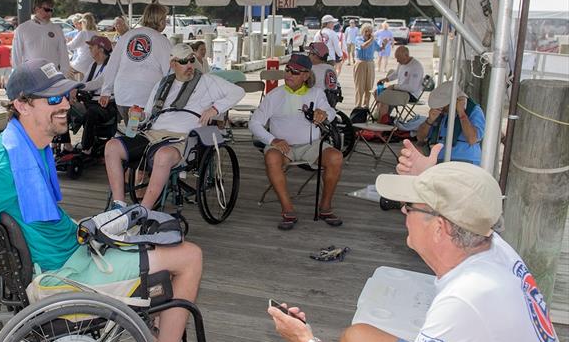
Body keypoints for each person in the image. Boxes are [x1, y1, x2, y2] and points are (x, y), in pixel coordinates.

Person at [0, 59, 223, 342]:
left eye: (65, 96)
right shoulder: (2, 166)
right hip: (68, 276)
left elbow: (46, 220)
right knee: (189, 256)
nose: (65, 105)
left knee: (155, 230)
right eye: (52, 100)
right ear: (23, 105)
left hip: (74, 251)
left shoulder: (30, 143)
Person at [268, 162, 561, 342]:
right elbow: (466, 199)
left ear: (439, 228)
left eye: (410, 207)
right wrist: (433, 174)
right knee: (356, 339)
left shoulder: (467, 299)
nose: (403, 213)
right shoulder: (490, 244)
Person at [105, 43, 244, 210]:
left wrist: (215, 109)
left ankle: (144, 210)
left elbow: (238, 92)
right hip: (152, 133)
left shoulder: (207, 81)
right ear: (173, 64)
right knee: (112, 146)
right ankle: (118, 204)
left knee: (163, 155)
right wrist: (140, 116)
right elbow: (148, 115)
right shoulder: (162, 84)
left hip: (183, 138)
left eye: (192, 60)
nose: (190, 65)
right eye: (184, 61)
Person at [249, 54, 344, 229]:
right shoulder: (274, 95)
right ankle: (287, 209)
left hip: (312, 146)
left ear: (306, 75)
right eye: (287, 70)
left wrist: (324, 114)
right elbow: (254, 123)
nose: (289, 75)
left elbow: (330, 112)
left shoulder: (316, 93)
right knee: (272, 158)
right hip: (283, 146)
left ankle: (325, 207)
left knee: (336, 157)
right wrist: (273, 139)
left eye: (295, 72)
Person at [100, 2, 172, 120]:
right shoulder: (162, 41)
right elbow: (170, 71)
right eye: (164, 19)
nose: (165, 22)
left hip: (123, 95)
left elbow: (113, 64)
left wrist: (106, 91)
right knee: (141, 135)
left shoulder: (127, 36)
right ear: (160, 20)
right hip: (146, 98)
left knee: (132, 131)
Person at [416, 81, 485, 165]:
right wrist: (429, 120)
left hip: (465, 161)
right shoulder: (441, 112)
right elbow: (420, 137)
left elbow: (472, 139)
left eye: (444, 105)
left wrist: (462, 114)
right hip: (440, 159)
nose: (441, 108)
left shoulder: (474, 110)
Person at [75, 35, 118, 155]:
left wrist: (77, 87)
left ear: (100, 48)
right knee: (67, 108)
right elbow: (85, 83)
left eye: (91, 46)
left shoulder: (111, 66)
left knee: (91, 113)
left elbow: (97, 83)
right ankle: (65, 144)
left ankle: (86, 148)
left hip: (107, 105)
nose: (89, 49)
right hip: (92, 102)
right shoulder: (93, 65)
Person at [11, 0, 71, 74]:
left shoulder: (57, 29)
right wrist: (18, 75)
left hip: (52, 74)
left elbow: (64, 53)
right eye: (46, 9)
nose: (49, 13)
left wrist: (64, 74)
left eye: (51, 10)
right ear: (36, 9)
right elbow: (16, 55)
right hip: (31, 74)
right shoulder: (22, 29)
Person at [375, 46, 425, 122]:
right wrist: (386, 79)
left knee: (385, 96)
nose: (397, 61)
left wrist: (394, 86)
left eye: (399, 58)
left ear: (406, 56)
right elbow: (396, 73)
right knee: (377, 92)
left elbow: (412, 88)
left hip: (411, 95)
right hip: (401, 91)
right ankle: (382, 115)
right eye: (396, 58)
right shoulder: (402, 62)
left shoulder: (416, 67)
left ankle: (381, 121)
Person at [354, 23, 382, 108]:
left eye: (370, 31)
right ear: (362, 31)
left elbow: (379, 49)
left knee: (369, 86)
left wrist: (384, 44)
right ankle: (358, 105)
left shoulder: (373, 41)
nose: (368, 33)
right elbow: (363, 46)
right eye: (366, 31)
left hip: (370, 63)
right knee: (360, 86)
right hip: (361, 63)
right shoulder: (358, 39)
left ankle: (366, 105)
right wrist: (371, 40)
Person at [66, 12, 98, 79]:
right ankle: (81, 87)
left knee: (65, 68)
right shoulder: (96, 33)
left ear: (84, 23)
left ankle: (72, 87)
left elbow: (70, 46)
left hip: (83, 63)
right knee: (80, 76)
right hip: (92, 63)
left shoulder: (83, 33)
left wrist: (61, 45)